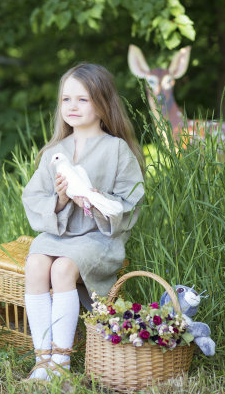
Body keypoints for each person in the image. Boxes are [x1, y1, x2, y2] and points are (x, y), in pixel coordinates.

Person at [21, 63, 145, 380]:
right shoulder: (55, 151)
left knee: (63, 268)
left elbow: (130, 202)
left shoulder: (117, 150)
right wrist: (61, 200)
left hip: (98, 237)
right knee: (36, 263)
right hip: (59, 233)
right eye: (66, 99)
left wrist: (92, 197)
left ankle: (60, 362)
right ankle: (43, 357)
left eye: (83, 99)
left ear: (103, 104)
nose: (72, 107)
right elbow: (33, 197)